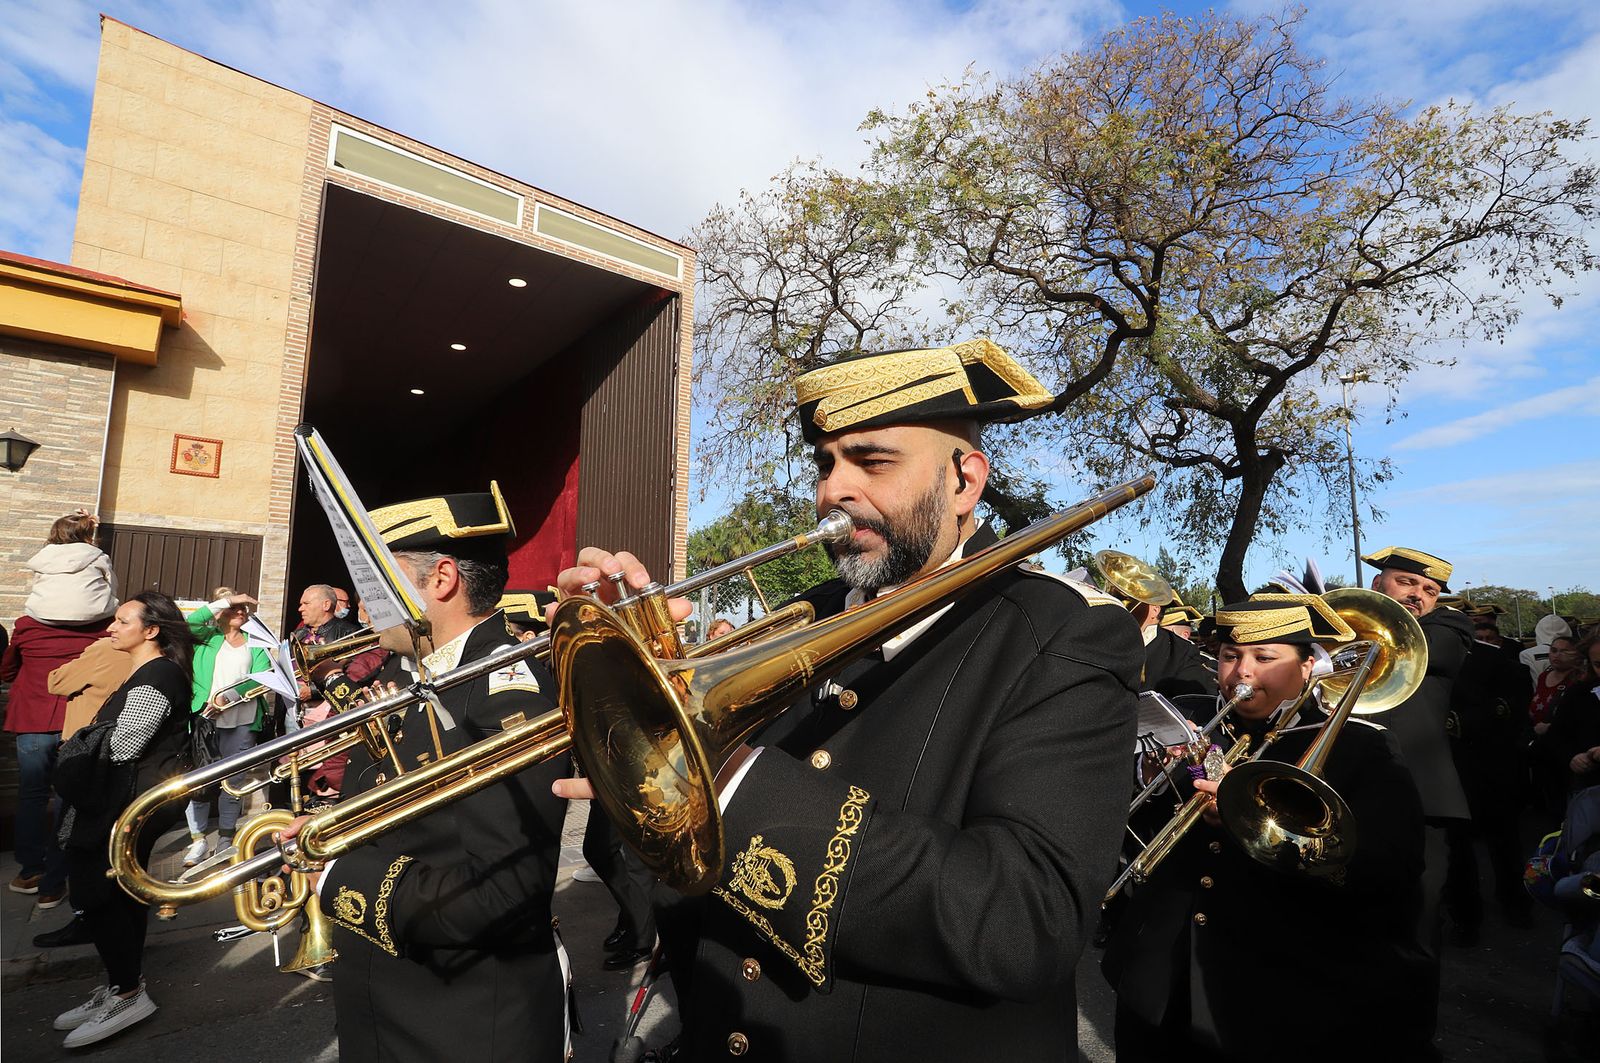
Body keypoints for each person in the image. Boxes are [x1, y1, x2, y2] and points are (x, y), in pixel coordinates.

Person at [554, 339, 1143, 1060]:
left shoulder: (1064, 632)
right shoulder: (811, 609)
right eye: (827, 463)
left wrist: (732, 780)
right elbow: (671, 888)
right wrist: (628, 720)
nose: (834, 489)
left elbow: (1026, 923)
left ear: (964, 482)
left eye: (872, 461)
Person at [283, 484, 571, 1063]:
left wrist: (338, 875)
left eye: (373, 584)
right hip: (401, 1003)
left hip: (460, 1022)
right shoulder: (428, 678)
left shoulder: (499, 690)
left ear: (440, 580)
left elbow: (504, 894)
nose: (362, 606)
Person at [1102, 594, 1428, 1061]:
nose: (1242, 672)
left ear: (1308, 668)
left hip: (1277, 983)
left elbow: (1393, 866)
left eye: (1265, 657)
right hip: (1158, 975)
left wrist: (1253, 828)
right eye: (1230, 657)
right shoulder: (1185, 720)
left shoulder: (1360, 747)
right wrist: (1145, 776)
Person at [51, 592, 193, 1048]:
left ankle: (127, 992)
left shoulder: (158, 673)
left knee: (101, 890)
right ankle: (121, 983)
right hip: (121, 797)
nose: (111, 628)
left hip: (128, 800)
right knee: (115, 891)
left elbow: (126, 744)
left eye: (121, 620)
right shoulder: (145, 669)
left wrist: (78, 756)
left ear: (151, 631)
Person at [1359, 545, 1472, 1042]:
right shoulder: (1350, 623)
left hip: (1420, 801)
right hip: (1348, 789)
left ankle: (1409, 1041)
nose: (1419, 595)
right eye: (1408, 582)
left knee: (1415, 929)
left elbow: (1421, 651)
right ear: (1379, 583)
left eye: (1430, 590)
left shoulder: (1448, 630)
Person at [1, 595, 110, 909]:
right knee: (68, 800)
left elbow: (7, 671)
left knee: (32, 794)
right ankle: (55, 880)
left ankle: (30, 870)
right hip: (76, 721)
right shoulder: (101, 627)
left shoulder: (27, 626)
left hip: (33, 718)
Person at [1444, 603, 1536, 941]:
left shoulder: (1502, 663)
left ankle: (1515, 903)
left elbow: (1509, 713)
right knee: (1457, 849)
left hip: (1493, 768)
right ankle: (1465, 918)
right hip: (1451, 767)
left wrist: (1461, 723)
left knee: (1504, 842)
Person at [180, 588, 270, 866]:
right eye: (235, 608)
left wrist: (228, 697)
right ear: (221, 613)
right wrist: (225, 601)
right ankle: (198, 840)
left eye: (244, 609)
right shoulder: (207, 638)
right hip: (205, 719)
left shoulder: (255, 643)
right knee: (198, 780)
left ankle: (225, 839)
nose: (241, 612)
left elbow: (262, 677)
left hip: (241, 720)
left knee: (233, 782)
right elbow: (188, 624)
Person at [23, 511, 119, 625]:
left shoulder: (45, 555)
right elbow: (112, 585)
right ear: (88, 534)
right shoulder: (98, 556)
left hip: (42, 614)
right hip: (92, 615)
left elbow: (38, 583)